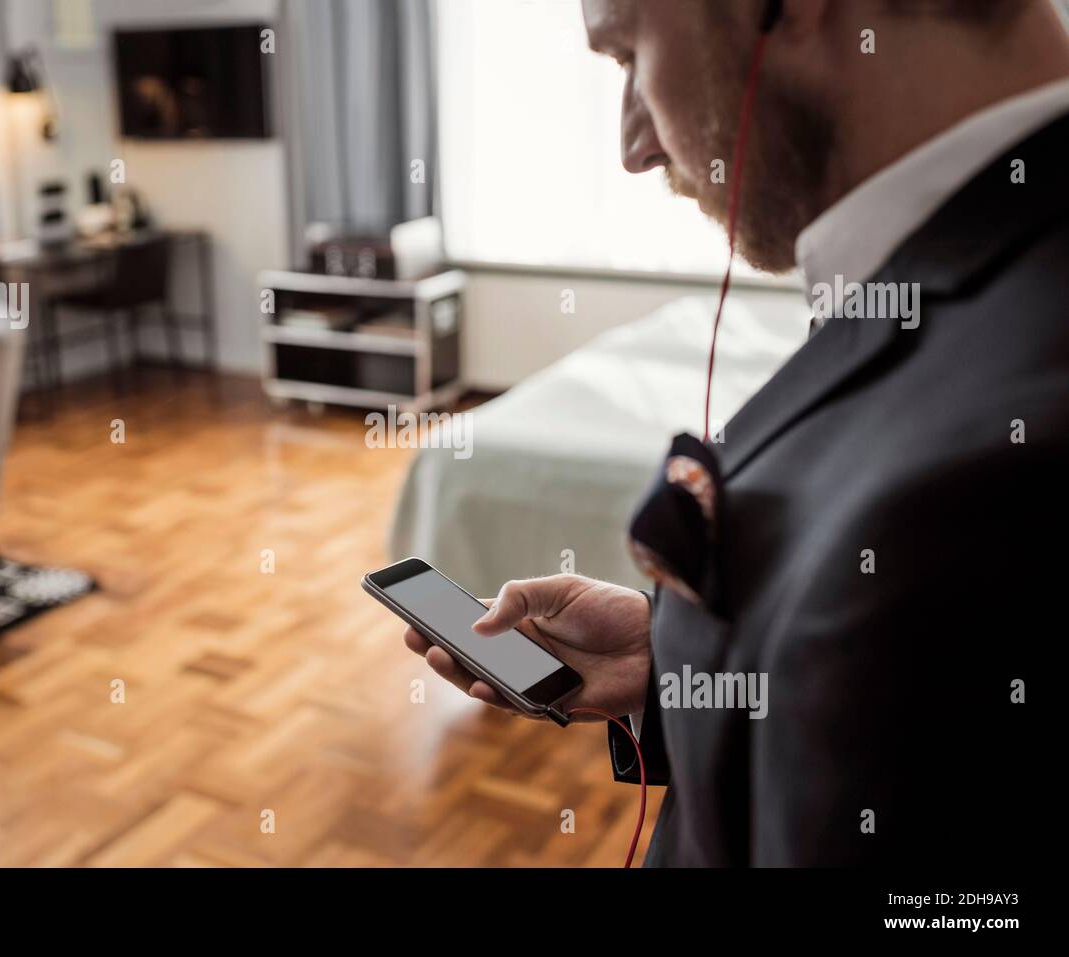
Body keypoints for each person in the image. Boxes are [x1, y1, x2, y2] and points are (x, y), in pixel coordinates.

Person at [404, 0, 1068, 866]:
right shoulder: (967, 269)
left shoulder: (998, 468)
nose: (634, 148)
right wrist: (686, 657)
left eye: (630, 56)